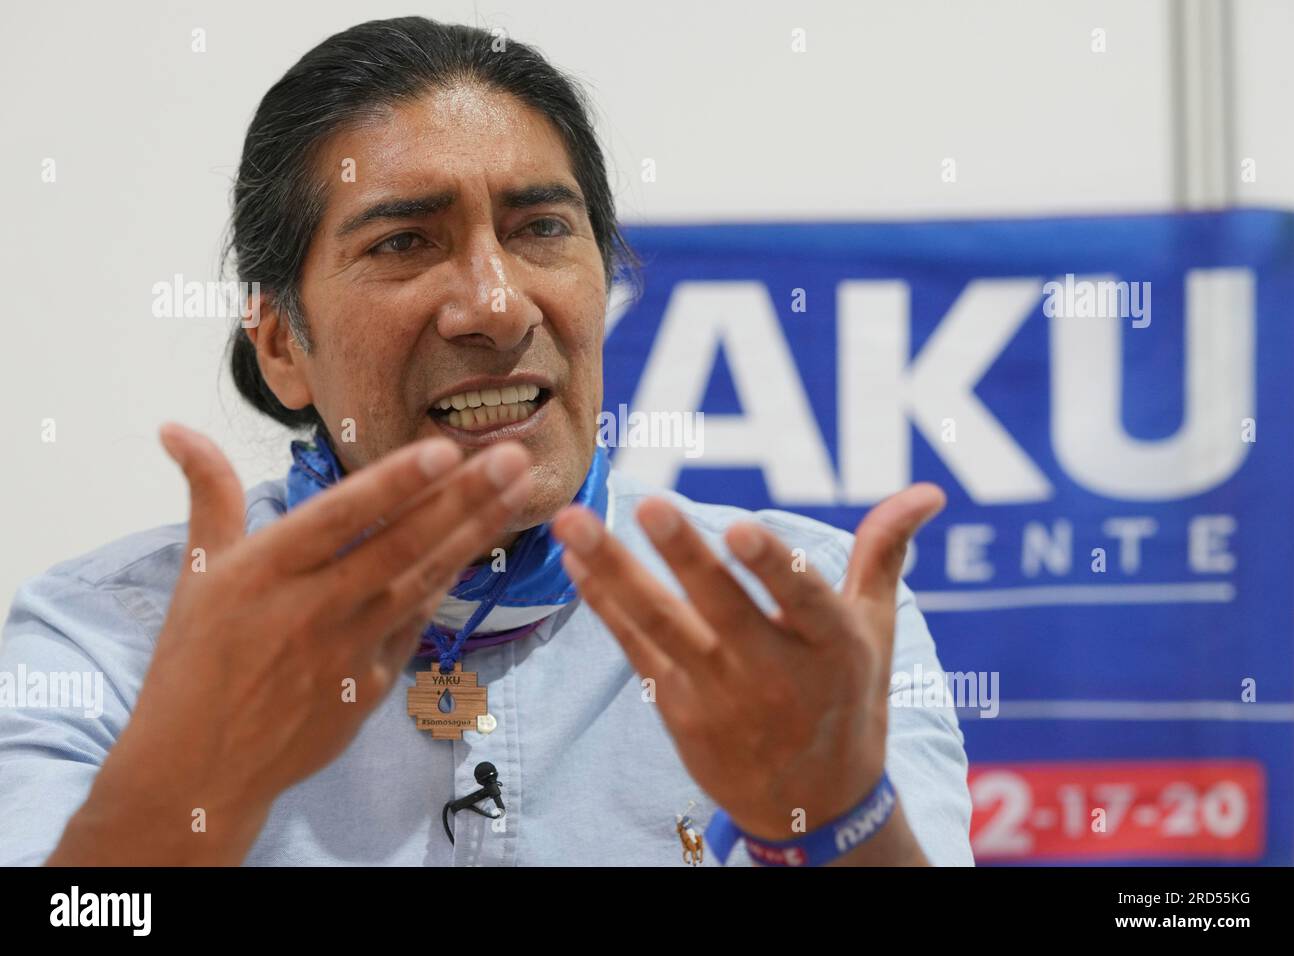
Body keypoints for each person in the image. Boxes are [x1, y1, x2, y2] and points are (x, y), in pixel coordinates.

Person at [0, 16, 972, 866]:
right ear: (283, 346)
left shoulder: (808, 618)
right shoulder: (104, 643)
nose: (497, 308)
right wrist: (185, 793)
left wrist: (833, 821)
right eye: (403, 242)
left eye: (541, 226)